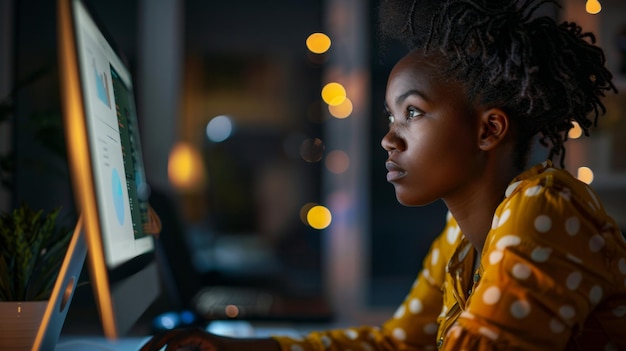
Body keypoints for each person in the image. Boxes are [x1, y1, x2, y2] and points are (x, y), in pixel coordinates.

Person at [141, 0, 626, 349]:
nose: (388, 141)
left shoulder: (545, 205)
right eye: (390, 119)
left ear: (488, 130)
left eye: (412, 113)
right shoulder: (460, 236)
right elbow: (398, 342)